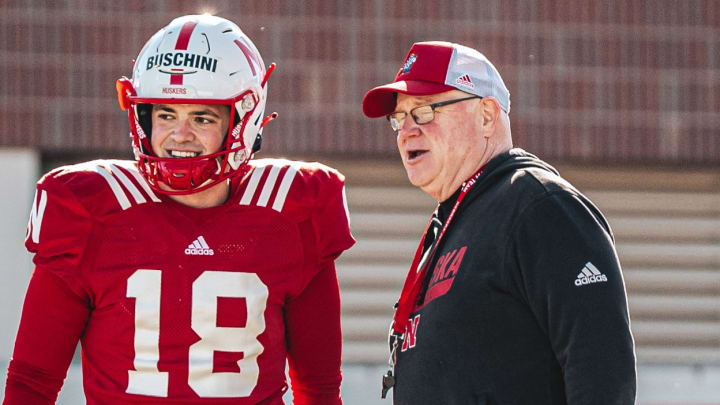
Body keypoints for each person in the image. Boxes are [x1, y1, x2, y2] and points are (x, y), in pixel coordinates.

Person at [4, 14, 354, 405]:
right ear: (142, 117)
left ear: (244, 120)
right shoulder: (90, 210)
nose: (179, 134)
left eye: (201, 117)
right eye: (166, 114)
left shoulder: (290, 211)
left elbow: (319, 389)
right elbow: (32, 382)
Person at [362, 41, 636, 404]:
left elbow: (602, 369)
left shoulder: (540, 207)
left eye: (425, 111)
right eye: (399, 118)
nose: (406, 131)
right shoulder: (455, 217)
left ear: (487, 116)